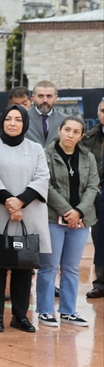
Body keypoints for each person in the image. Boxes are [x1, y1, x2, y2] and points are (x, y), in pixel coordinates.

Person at [0, 105, 48, 333]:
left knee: (24, 268)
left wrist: (21, 202)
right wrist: (9, 201)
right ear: (2, 121)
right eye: (8, 119)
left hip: (27, 216)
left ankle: (20, 315)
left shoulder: (36, 148)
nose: (13, 123)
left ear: (25, 123)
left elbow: (42, 177)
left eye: (18, 119)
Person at [38, 116, 99, 328]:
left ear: (81, 136)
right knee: (49, 266)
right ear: (59, 130)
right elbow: (46, 185)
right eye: (67, 130)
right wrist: (67, 211)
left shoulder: (88, 157)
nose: (70, 135)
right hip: (53, 219)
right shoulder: (45, 155)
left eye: (75, 132)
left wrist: (79, 212)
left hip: (80, 221)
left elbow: (93, 187)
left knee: (71, 268)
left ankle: (68, 311)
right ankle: (45, 311)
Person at [84, 99, 104, 300]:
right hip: (98, 196)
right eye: (103, 110)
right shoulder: (89, 138)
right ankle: (101, 283)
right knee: (100, 240)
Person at [26, 81, 65, 146]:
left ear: (55, 98)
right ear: (33, 98)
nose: (45, 100)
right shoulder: (22, 118)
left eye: (49, 96)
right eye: (40, 96)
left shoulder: (64, 120)